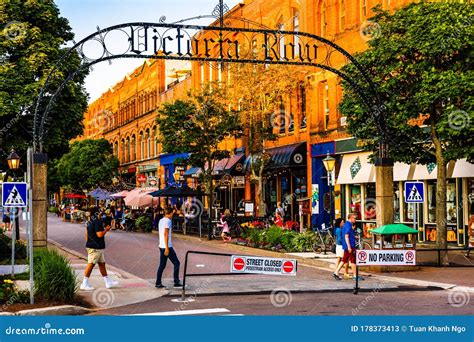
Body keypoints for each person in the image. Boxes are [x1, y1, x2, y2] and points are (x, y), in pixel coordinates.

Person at [80, 207, 119, 291]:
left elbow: (86, 236)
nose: (101, 213)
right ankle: (84, 283)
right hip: (95, 247)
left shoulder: (89, 222)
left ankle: (108, 282)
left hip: (95, 246)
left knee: (102, 264)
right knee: (91, 264)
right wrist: (106, 230)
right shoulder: (97, 222)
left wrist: (90, 242)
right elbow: (100, 234)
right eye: (100, 212)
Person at [155, 207, 182, 289]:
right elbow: (165, 234)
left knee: (162, 265)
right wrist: (167, 248)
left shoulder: (161, 220)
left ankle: (158, 282)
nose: (173, 215)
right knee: (177, 263)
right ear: (170, 213)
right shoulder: (168, 221)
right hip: (167, 246)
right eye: (172, 213)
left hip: (161, 245)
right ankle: (176, 281)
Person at [333, 213, 363, 281]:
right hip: (349, 246)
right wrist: (349, 247)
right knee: (352, 260)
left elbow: (348, 235)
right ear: (351, 218)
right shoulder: (348, 225)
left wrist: (354, 237)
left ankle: (336, 272)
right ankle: (355, 275)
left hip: (348, 246)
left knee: (344, 260)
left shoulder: (347, 225)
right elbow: (346, 236)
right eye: (354, 218)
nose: (355, 219)